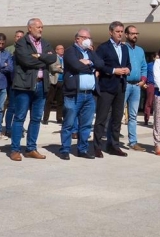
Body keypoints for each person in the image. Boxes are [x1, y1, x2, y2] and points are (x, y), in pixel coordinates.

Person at [9, 18, 57, 161]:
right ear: (29, 28)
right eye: (38, 27)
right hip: (24, 85)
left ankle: (31, 148)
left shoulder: (45, 43)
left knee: (36, 118)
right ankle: (15, 150)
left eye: (42, 27)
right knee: (19, 117)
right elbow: (26, 60)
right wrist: (44, 59)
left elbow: (53, 58)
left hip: (42, 85)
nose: (41, 29)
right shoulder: (21, 43)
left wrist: (39, 56)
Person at [60, 29, 102, 160]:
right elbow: (76, 66)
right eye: (84, 37)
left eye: (88, 37)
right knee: (69, 123)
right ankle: (65, 150)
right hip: (74, 94)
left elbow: (100, 64)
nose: (87, 40)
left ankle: (82, 149)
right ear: (77, 39)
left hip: (89, 95)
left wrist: (88, 62)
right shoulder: (70, 51)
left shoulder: (90, 52)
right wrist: (90, 65)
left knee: (86, 125)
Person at [93, 21, 132, 158]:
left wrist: (128, 69)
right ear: (111, 32)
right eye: (117, 31)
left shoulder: (125, 48)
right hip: (107, 87)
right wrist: (114, 70)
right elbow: (99, 65)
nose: (120, 34)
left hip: (120, 87)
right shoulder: (103, 48)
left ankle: (113, 145)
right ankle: (97, 146)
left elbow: (128, 64)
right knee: (102, 118)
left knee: (117, 118)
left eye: (122, 31)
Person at [122, 25, 147, 152]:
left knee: (133, 115)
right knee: (117, 114)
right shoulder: (122, 48)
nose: (135, 35)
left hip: (136, 86)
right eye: (132, 33)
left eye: (137, 33)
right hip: (124, 84)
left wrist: (143, 80)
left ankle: (133, 142)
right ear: (126, 35)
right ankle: (112, 140)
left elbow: (144, 66)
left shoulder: (140, 50)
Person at [3, 30, 25, 137]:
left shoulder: (27, 49)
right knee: (11, 107)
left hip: (23, 83)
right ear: (14, 37)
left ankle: (18, 129)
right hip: (12, 82)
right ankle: (8, 129)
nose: (19, 38)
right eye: (17, 36)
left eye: (21, 36)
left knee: (21, 108)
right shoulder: (8, 50)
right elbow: (6, 66)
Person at [42, 44, 64, 125]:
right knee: (49, 100)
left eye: (63, 48)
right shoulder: (53, 57)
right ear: (56, 50)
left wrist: (60, 67)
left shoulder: (64, 58)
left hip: (62, 81)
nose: (62, 50)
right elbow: (53, 68)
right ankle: (45, 118)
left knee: (60, 101)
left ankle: (59, 118)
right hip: (53, 81)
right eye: (60, 49)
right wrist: (62, 69)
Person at [143, 54, 156, 126]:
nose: (157, 59)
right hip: (150, 85)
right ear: (153, 57)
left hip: (159, 86)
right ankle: (146, 119)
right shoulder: (149, 65)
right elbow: (144, 73)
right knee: (149, 103)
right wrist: (144, 82)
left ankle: (158, 120)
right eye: (156, 57)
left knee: (157, 104)